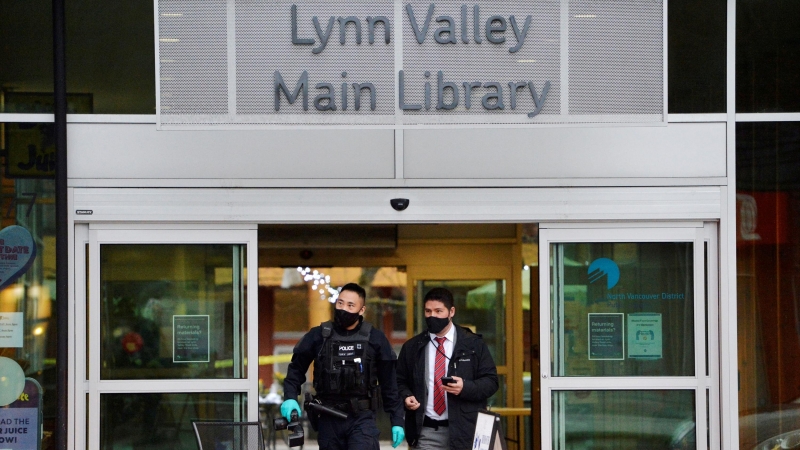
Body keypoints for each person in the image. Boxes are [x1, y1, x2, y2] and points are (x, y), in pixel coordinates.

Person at [280, 283, 406, 449]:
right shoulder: (318, 336)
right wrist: (290, 397)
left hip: (362, 418)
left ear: (361, 310)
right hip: (328, 417)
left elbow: (390, 384)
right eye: (340, 303)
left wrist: (397, 420)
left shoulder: (375, 339)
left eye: (350, 305)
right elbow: (296, 369)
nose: (343, 309)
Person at [396, 287, 499, 449]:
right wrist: (406, 395)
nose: (432, 316)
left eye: (438, 311)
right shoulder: (412, 347)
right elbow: (399, 380)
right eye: (428, 311)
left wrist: (465, 387)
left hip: (464, 431)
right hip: (426, 432)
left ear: (451, 311)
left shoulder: (472, 344)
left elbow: (491, 382)